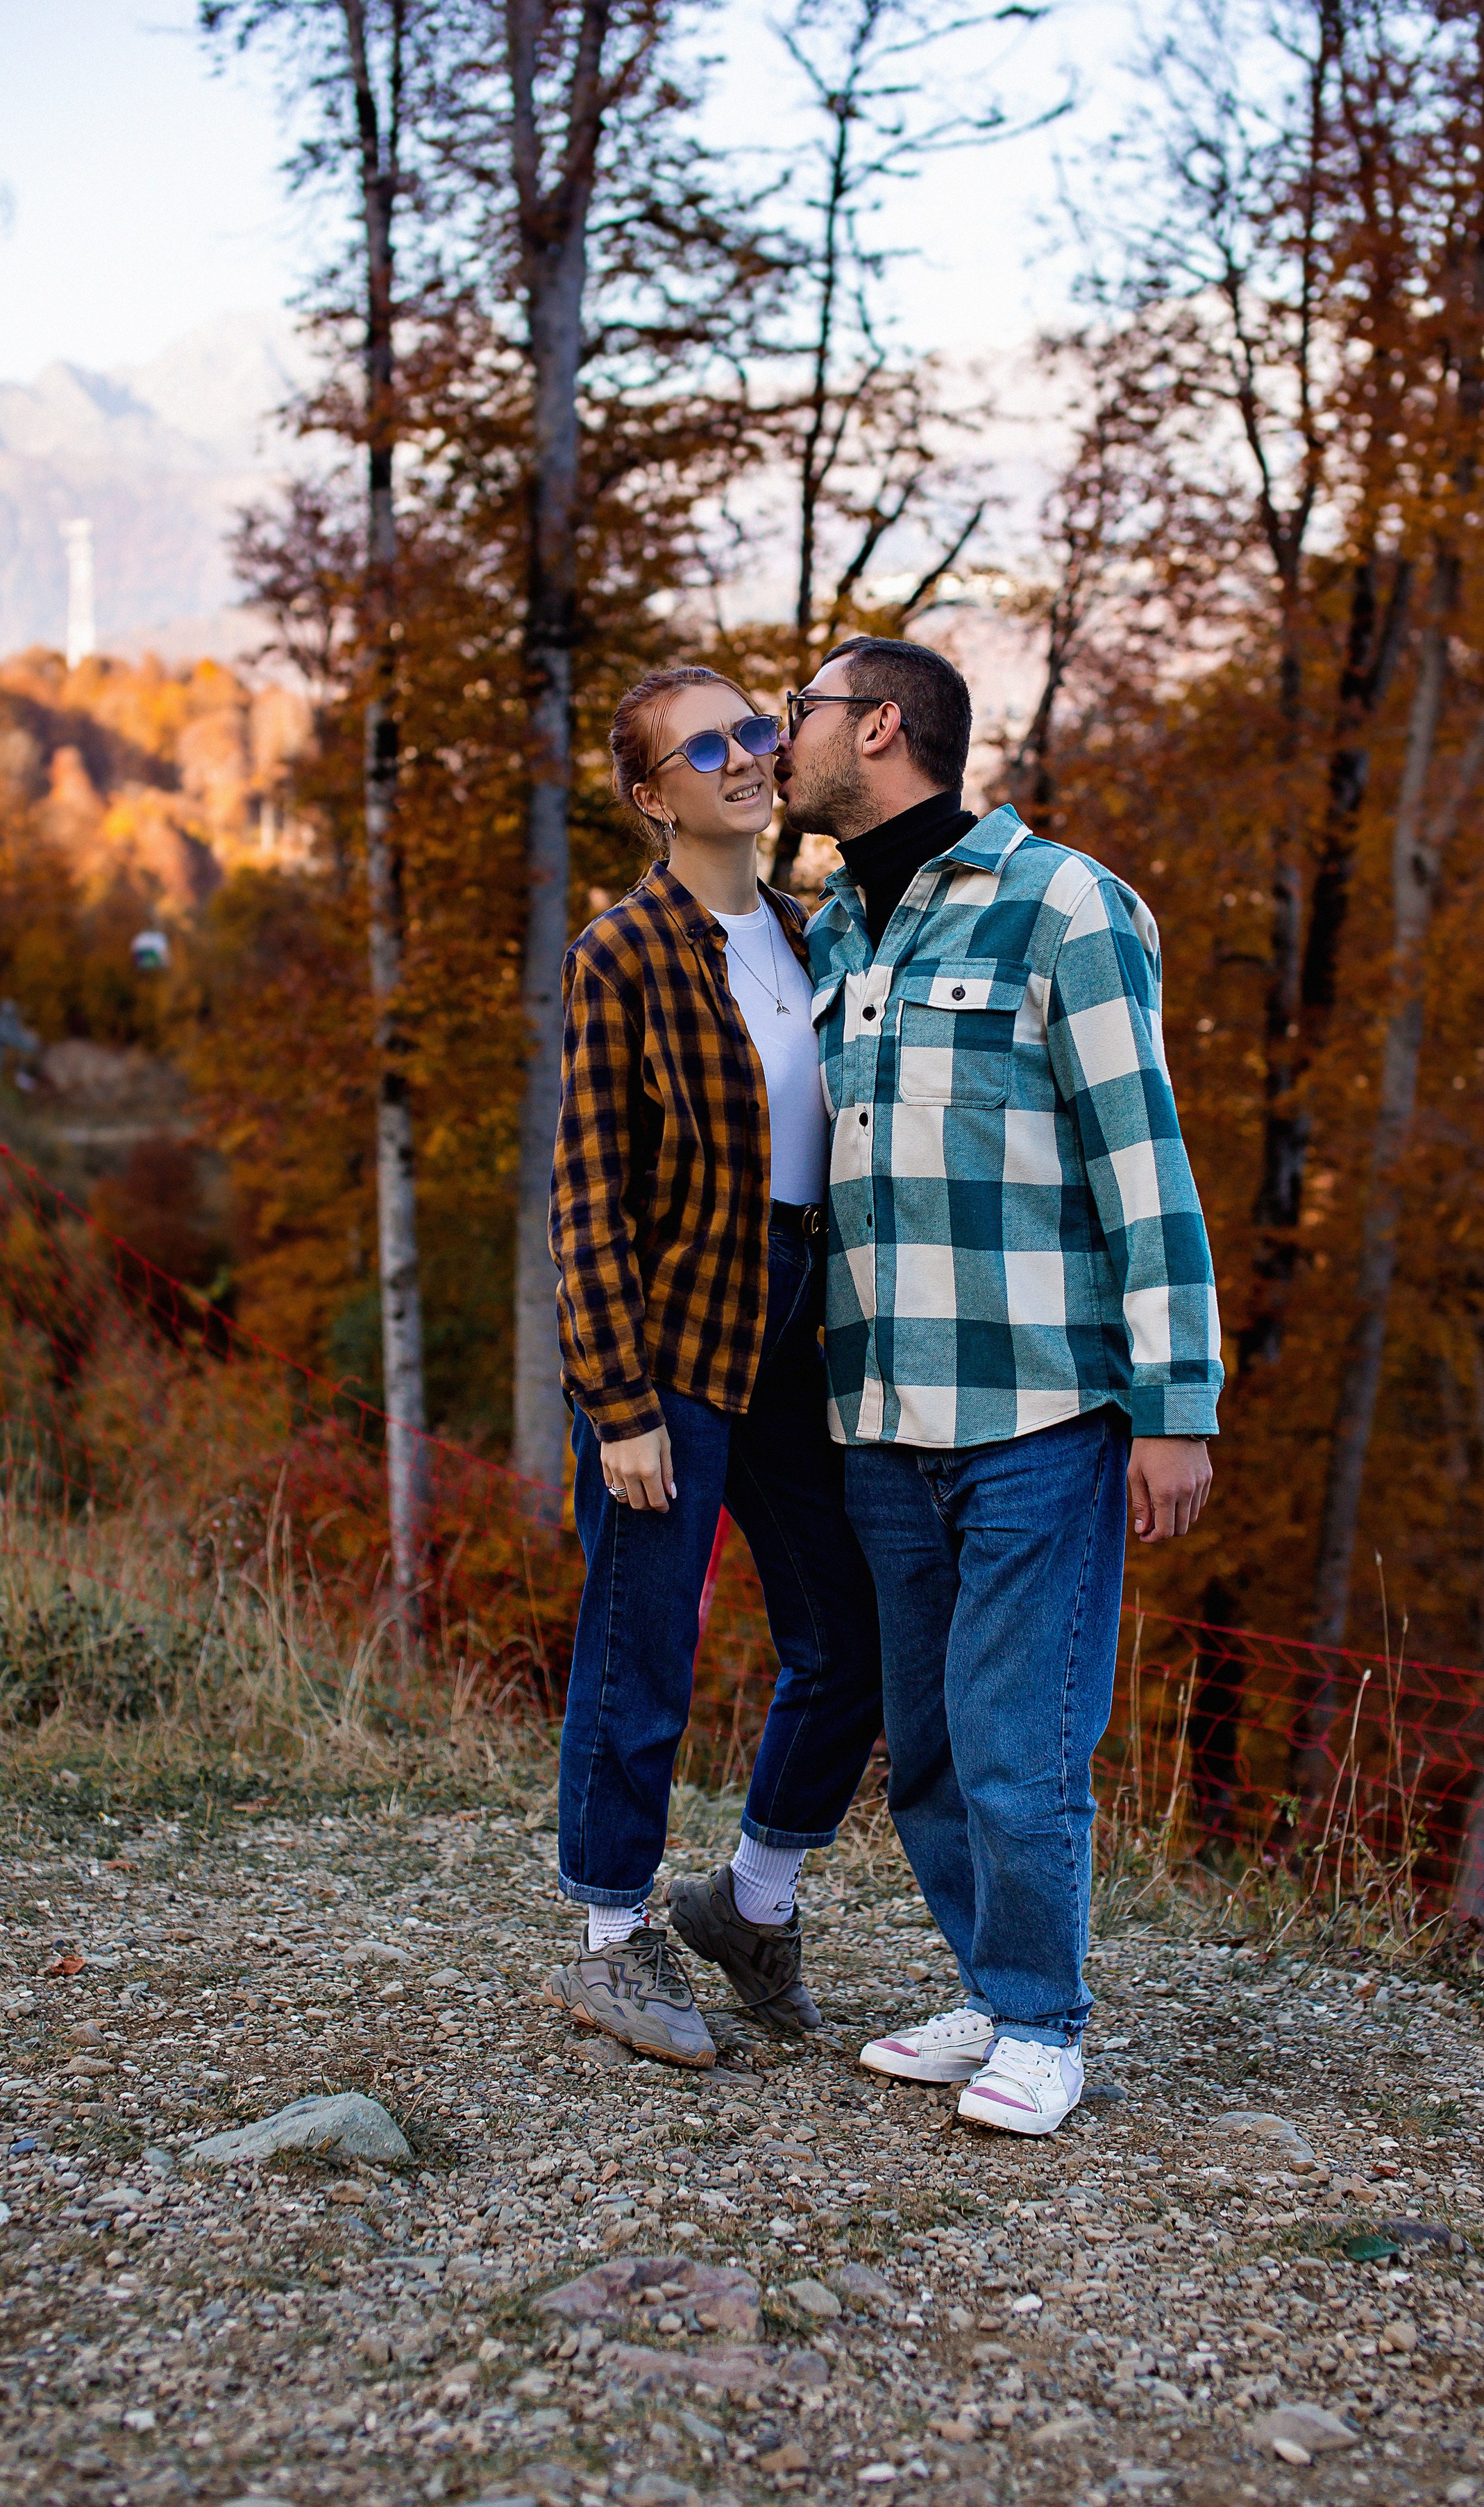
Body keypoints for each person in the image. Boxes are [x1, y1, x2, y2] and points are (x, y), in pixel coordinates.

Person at [776, 634, 1222, 2136]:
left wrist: (1174, 1406)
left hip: (1037, 1409)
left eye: (804, 714)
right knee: (928, 1747)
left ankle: (1042, 2022)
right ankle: (983, 1983)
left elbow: (1140, 1164)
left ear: (882, 727)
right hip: (880, 1414)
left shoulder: (1064, 906)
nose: (786, 738)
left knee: (1018, 1741)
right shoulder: (838, 925)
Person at [546, 664, 883, 2068]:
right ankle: (611, 1945)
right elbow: (585, 1196)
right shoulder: (621, 951)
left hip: (800, 1331)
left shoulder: (811, 934)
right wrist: (619, 1405)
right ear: (650, 796)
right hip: (674, 1336)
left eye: (758, 729)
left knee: (850, 1631)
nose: (747, 756)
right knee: (644, 1651)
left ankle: (748, 1906)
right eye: (708, 746)